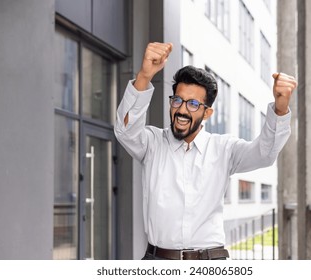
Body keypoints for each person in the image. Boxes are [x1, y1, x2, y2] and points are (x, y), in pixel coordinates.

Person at [114, 42, 297, 260]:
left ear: (207, 113)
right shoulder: (153, 143)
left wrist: (280, 109)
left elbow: (264, 154)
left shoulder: (224, 149)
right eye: (178, 101)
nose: (182, 110)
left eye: (192, 104)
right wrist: (144, 75)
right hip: (158, 261)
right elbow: (125, 130)